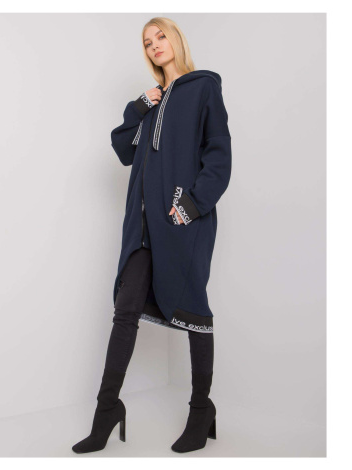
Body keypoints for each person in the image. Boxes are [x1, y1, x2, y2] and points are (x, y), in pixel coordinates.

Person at [72, 16, 232, 454]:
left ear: (175, 39)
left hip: (182, 220)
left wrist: (191, 205)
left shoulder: (203, 88)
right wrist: (140, 106)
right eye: (147, 42)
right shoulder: (151, 102)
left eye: (161, 36)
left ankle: (201, 410)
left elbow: (219, 155)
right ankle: (107, 411)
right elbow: (123, 148)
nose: (155, 45)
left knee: (194, 311)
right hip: (141, 228)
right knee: (125, 311)